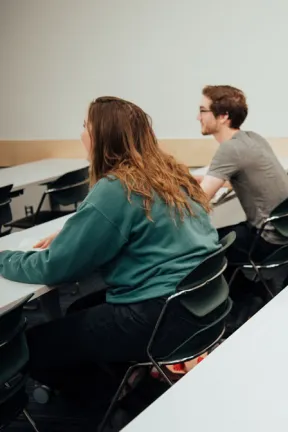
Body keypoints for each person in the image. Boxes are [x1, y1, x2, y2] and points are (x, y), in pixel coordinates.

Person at [0, 97, 221, 412]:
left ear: (102, 135)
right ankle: (124, 379)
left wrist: (4, 258)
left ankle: (108, 403)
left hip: (159, 316)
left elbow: (54, 268)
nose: (81, 134)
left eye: (85, 126)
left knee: (33, 345)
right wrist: (74, 236)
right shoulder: (170, 174)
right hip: (201, 303)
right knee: (81, 305)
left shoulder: (118, 187)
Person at [195, 85, 288, 265]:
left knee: (202, 247)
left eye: (203, 111)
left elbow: (198, 201)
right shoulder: (253, 137)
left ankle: (234, 291)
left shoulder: (229, 148)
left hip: (267, 242)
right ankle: (245, 289)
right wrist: (209, 182)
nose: (198, 117)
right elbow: (250, 181)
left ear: (224, 116)